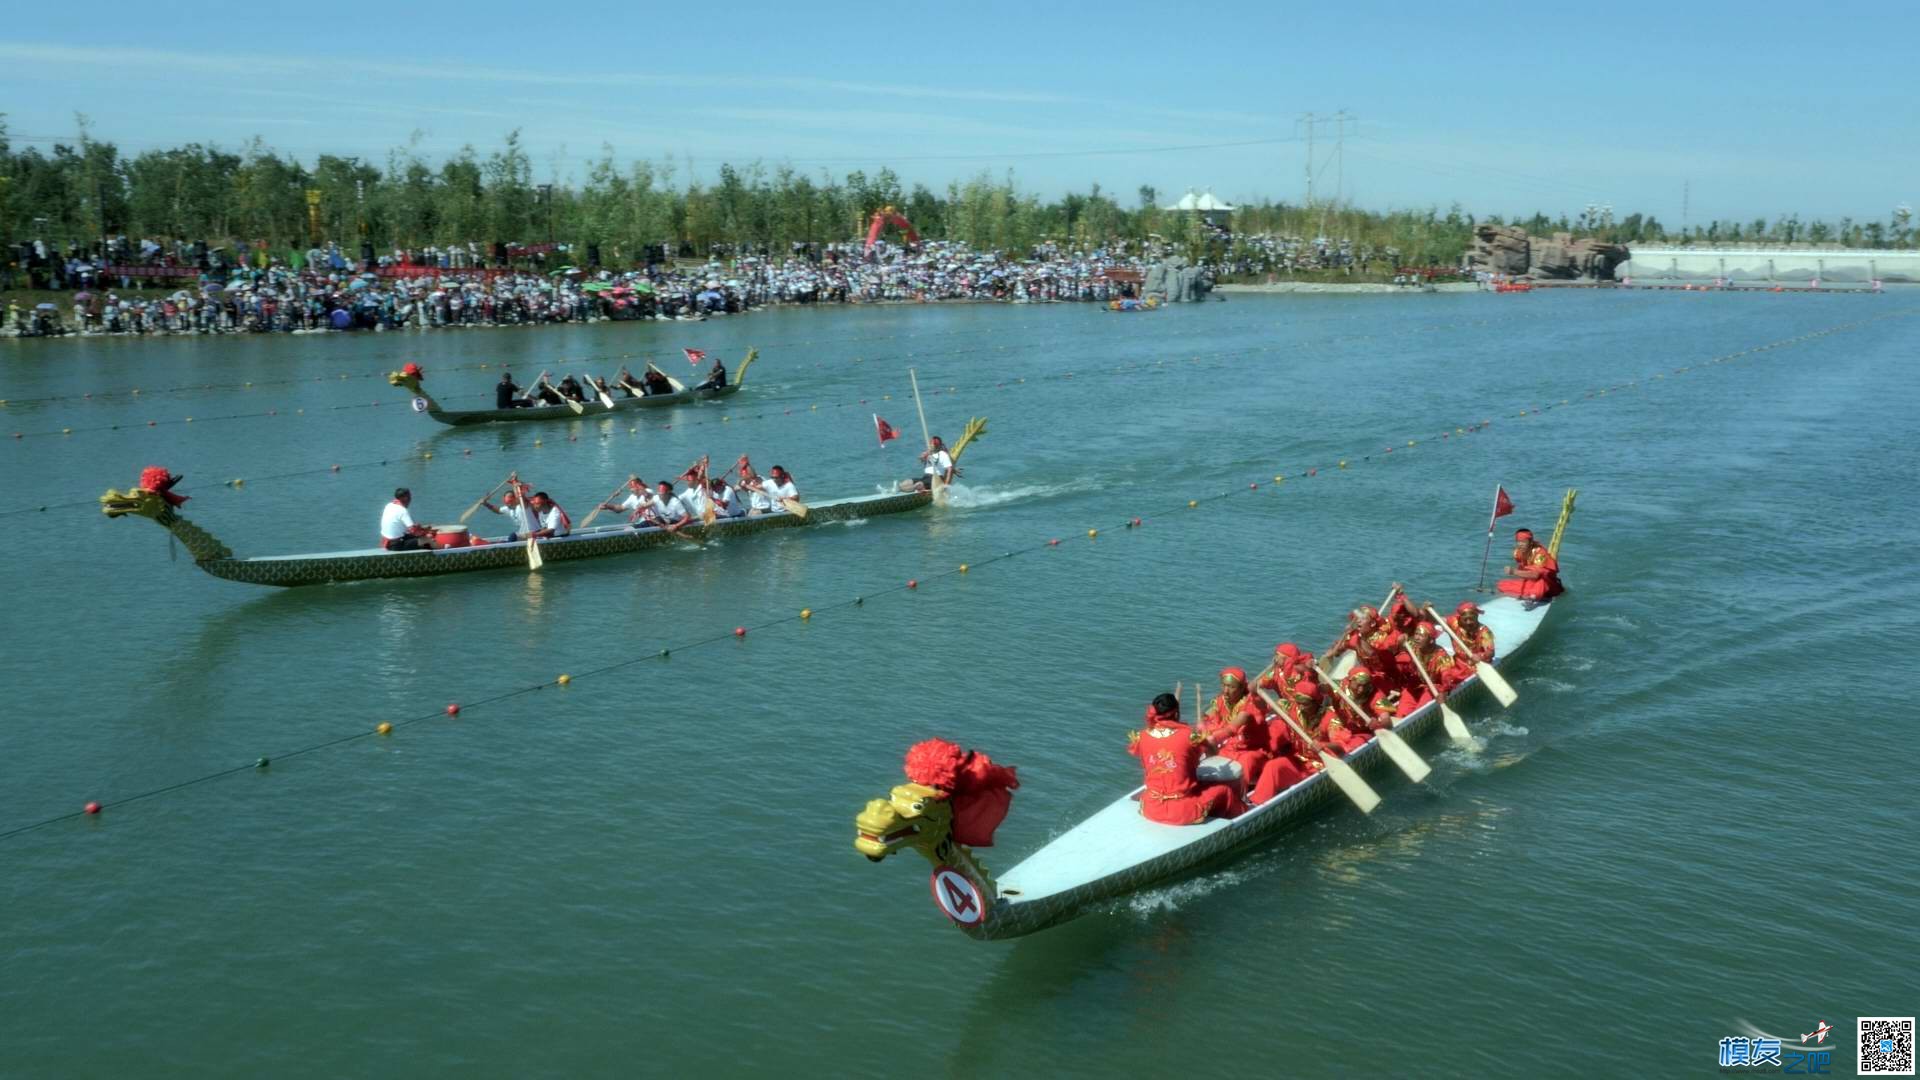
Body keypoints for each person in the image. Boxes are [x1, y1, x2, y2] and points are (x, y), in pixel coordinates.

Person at [1127, 693, 1245, 825]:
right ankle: (1244, 818)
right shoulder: (1190, 736)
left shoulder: (1140, 737)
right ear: (1176, 714)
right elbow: (1212, 753)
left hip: (1151, 807)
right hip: (1181, 810)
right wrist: (1208, 741)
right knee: (1225, 791)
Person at [1497, 528, 1564, 602]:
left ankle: (1532, 598)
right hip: (1531, 581)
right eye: (1518, 542)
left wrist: (1513, 572)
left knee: (1541, 582)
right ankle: (1529, 593)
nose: (1520, 545)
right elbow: (1522, 569)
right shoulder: (1518, 552)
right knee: (1502, 584)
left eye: (1523, 542)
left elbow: (1536, 575)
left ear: (1530, 542)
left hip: (1548, 585)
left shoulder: (1540, 553)